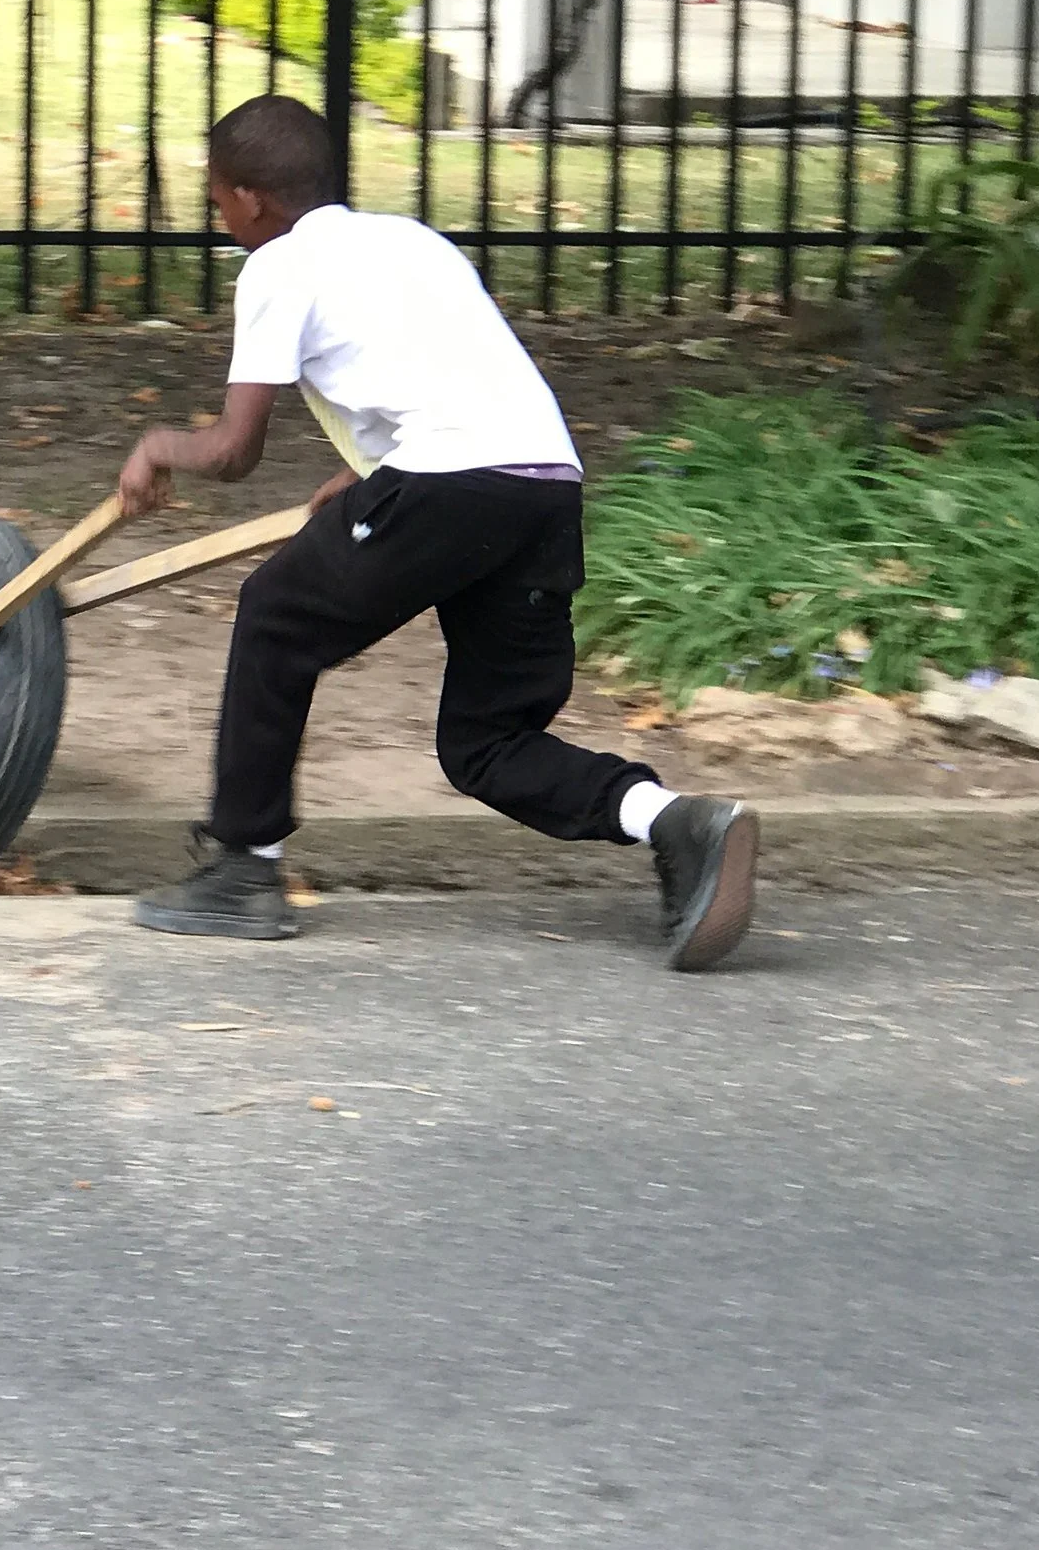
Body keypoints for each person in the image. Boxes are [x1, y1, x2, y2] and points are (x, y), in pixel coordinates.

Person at [116, 93, 756, 970]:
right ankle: (676, 820)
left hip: (453, 484)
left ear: (253, 199)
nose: (220, 216)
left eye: (219, 197)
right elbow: (443, 378)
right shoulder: (414, 241)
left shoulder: (274, 268)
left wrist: (161, 449)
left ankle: (243, 870)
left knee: (275, 612)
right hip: (545, 487)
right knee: (485, 743)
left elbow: (233, 453)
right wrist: (371, 476)